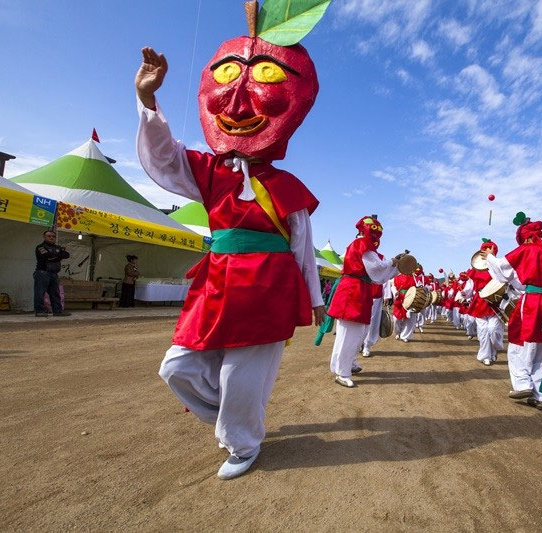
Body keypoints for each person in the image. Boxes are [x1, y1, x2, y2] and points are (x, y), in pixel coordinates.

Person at [135, 4, 330, 480]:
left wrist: (315, 298)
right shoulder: (209, 171)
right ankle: (236, 416)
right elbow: (163, 156)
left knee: (243, 374)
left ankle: (243, 442)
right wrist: (146, 100)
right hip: (217, 280)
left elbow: (303, 247)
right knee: (176, 367)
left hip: (269, 284)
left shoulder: (289, 188)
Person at [484, 213, 542, 411]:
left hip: (533, 302)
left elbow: (501, 270)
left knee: (520, 344)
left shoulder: (527, 249)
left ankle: (523, 384)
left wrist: (489, 257)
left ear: (525, 237)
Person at [318, 216, 399, 387]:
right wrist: (393, 262)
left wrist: (394, 265)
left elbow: (377, 274)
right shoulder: (362, 244)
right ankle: (342, 372)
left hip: (358, 289)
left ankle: (347, 364)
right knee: (350, 333)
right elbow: (376, 268)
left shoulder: (362, 245)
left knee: (358, 332)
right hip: (352, 291)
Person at [463, 239, 503, 366]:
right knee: (483, 330)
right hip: (479, 301)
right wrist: (465, 293)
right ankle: (485, 356)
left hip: (495, 300)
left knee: (493, 329)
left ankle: (495, 348)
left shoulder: (499, 266)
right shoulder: (475, 269)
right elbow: (470, 285)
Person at [34, 230, 71, 317]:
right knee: (40, 293)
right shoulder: (40, 247)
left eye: (53, 236)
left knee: (55, 293)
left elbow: (67, 255)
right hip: (42, 272)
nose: (51, 237)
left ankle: (58, 311)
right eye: (49, 236)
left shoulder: (57, 247)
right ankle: (39, 311)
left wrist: (55, 255)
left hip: (54, 273)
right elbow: (46, 256)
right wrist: (58, 255)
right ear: (44, 237)